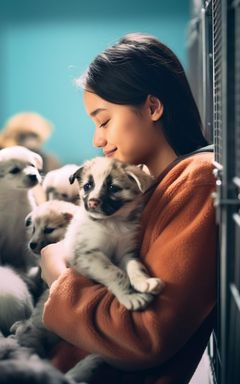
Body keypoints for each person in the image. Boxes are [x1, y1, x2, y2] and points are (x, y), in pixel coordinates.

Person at [40, 33, 217, 383]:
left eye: (104, 120)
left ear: (152, 108)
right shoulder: (153, 187)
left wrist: (58, 274)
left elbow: (141, 335)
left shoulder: (197, 180)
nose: (97, 139)